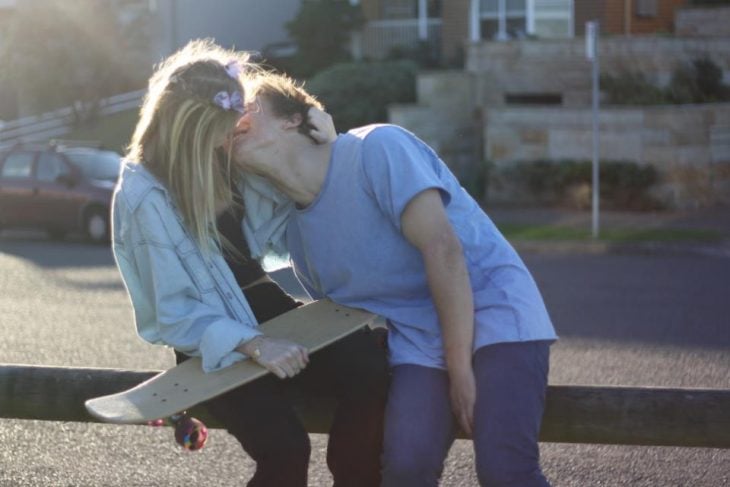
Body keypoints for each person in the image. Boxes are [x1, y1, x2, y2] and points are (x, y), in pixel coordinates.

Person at [232, 72, 558, 487]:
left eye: (246, 106)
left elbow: (444, 251)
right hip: (418, 339)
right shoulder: (295, 236)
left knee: (504, 471)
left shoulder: (378, 147)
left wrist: (459, 371)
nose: (232, 118)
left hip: (492, 309)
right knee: (405, 470)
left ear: (292, 120)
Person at [112, 40, 388, 486]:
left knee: (371, 371)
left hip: (268, 308)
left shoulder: (228, 159)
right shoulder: (143, 193)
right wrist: (256, 346)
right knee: (286, 451)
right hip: (210, 340)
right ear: (190, 127)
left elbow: (301, 207)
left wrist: (323, 145)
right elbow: (174, 314)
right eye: (223, 128)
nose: (231, 136)